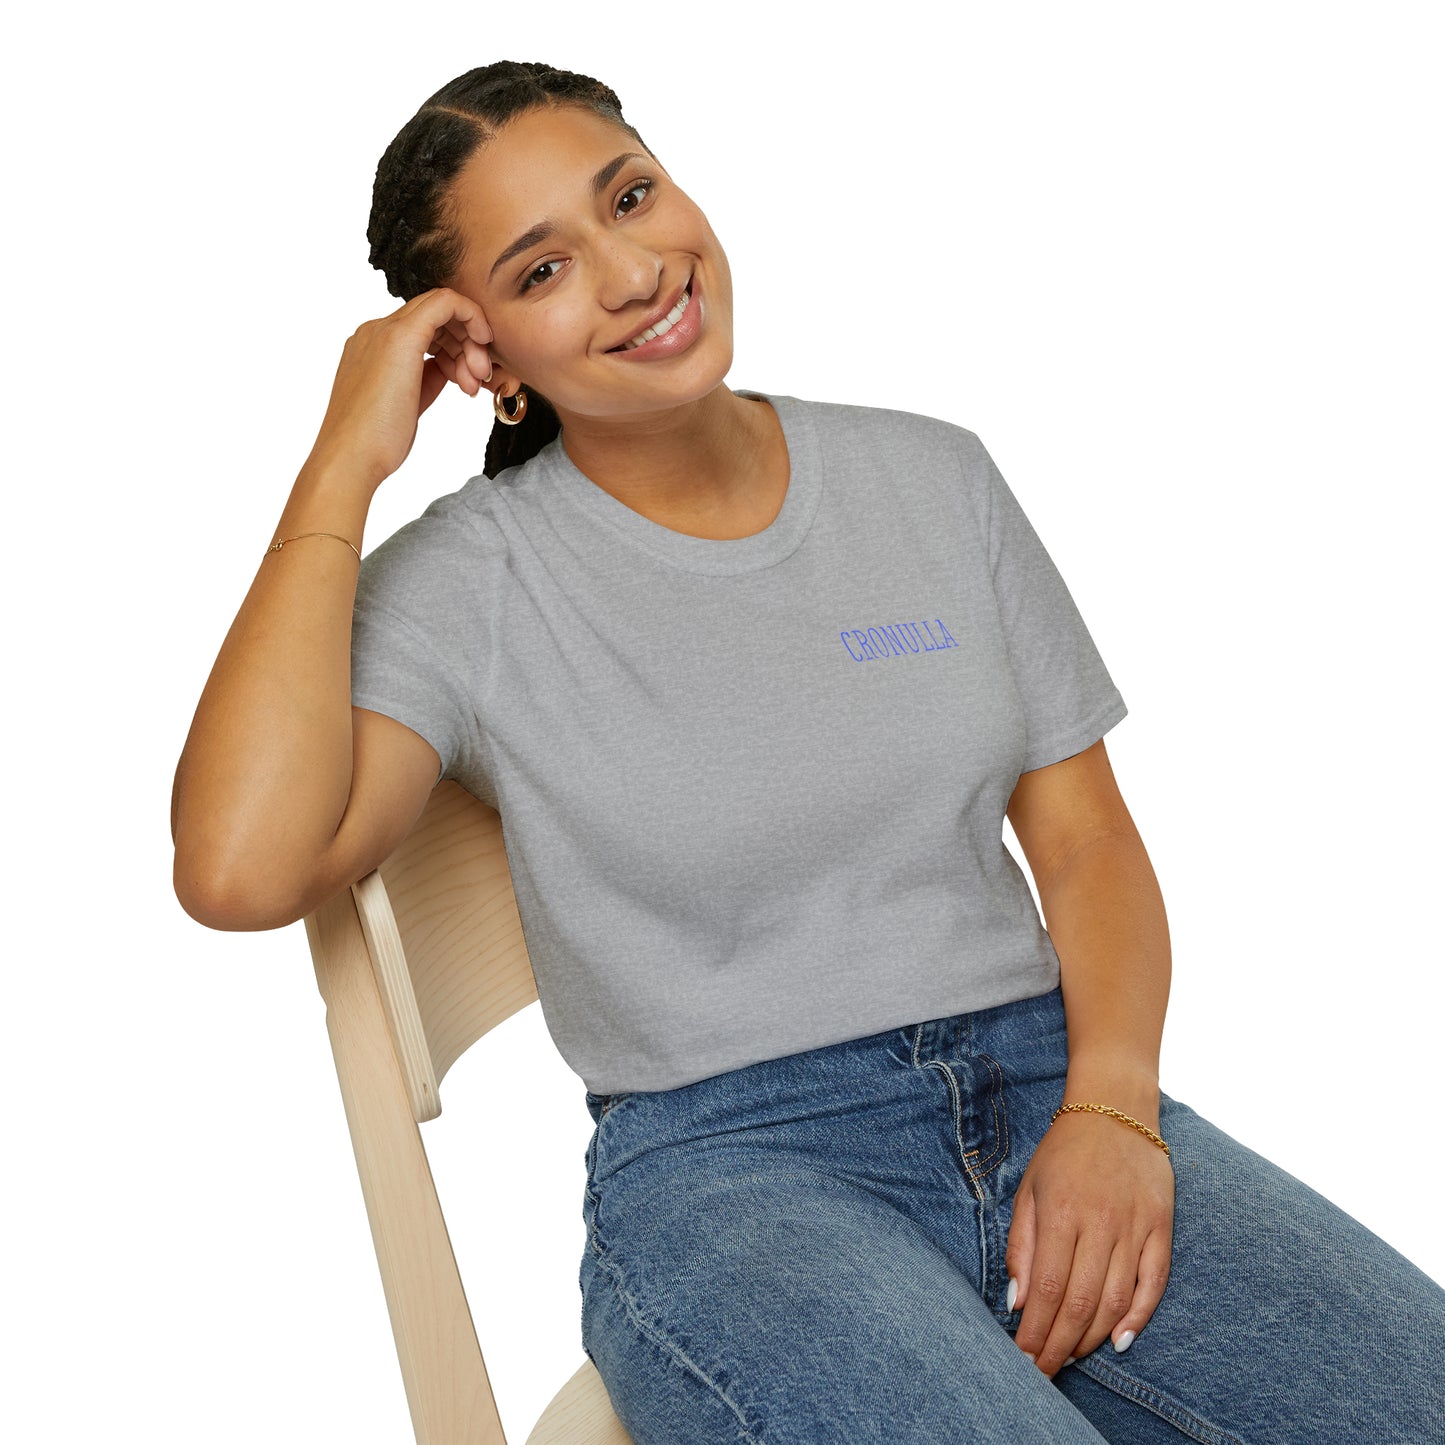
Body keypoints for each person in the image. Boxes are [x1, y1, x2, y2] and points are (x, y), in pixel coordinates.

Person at [171, 60, 1445, 1443]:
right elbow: (240, 867)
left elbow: (1084, 847)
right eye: (542, 271)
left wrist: (1114, 1111)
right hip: (733, 1174)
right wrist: (340, 463)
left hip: (1049, 1087)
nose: (633, 270)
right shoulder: (470, 582)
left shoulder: (933, 477)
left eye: (632, 196)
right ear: (483, 358)